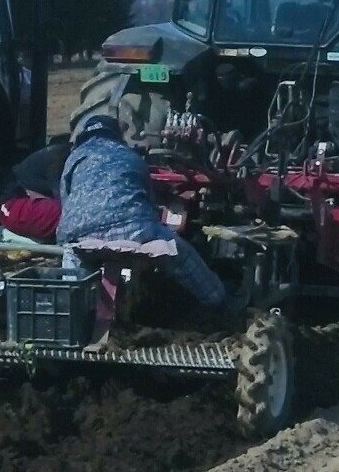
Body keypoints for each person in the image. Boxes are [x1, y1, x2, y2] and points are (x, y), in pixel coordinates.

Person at [54, 110, 233, 318]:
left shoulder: (74, 159)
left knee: (73, 258)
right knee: (181, 255)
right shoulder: (130, 156)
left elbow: (66, 201)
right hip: (134, 228)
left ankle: (71, 313)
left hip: (80, 233)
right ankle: (218, 301)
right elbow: (149, 200)